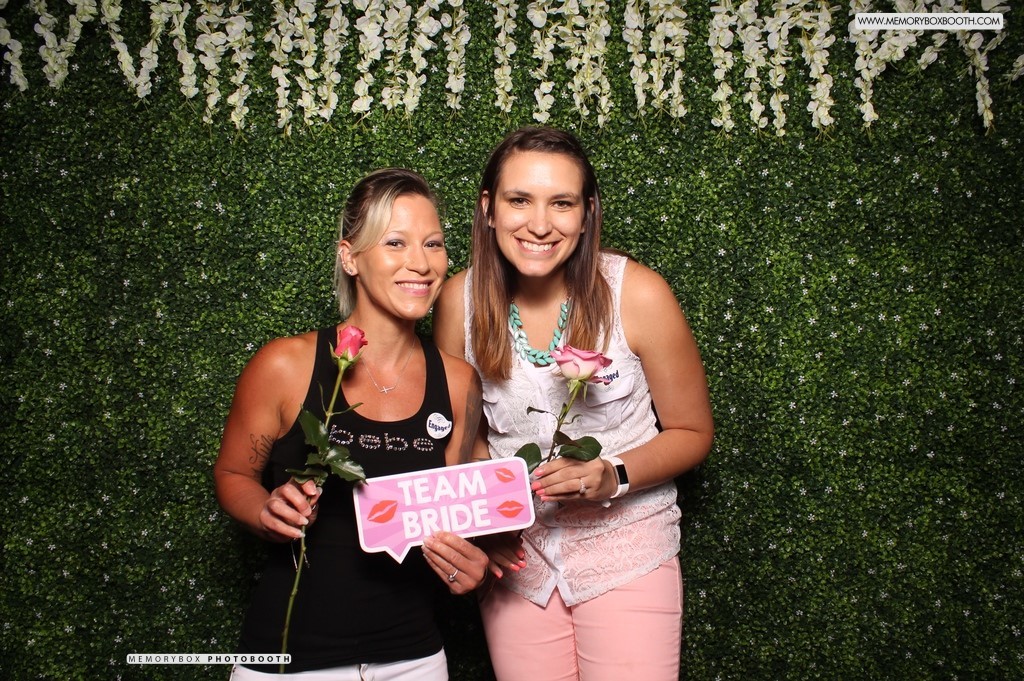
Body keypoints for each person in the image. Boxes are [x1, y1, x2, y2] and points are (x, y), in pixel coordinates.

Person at [433, 127, 714, 681]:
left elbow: (692, 431)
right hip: (519, 564)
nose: (540, 224)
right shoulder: (457, 302)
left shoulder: (638, 293)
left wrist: (614, 474)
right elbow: (464, 436)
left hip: (626, 553)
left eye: (561, 203)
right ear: (488, 209)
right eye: (520, 200)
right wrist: (488, 523)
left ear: (587, 214)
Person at [214, 168, 489, 680]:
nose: (421, 263)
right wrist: (265, 510)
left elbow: (457, 513)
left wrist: (475, 567)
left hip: (414, 659)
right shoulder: (284, 365)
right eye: (395, 242)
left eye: (433, 243)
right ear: (350, 256)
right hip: (289, 663)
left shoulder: (458, 382)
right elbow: (232, 474)